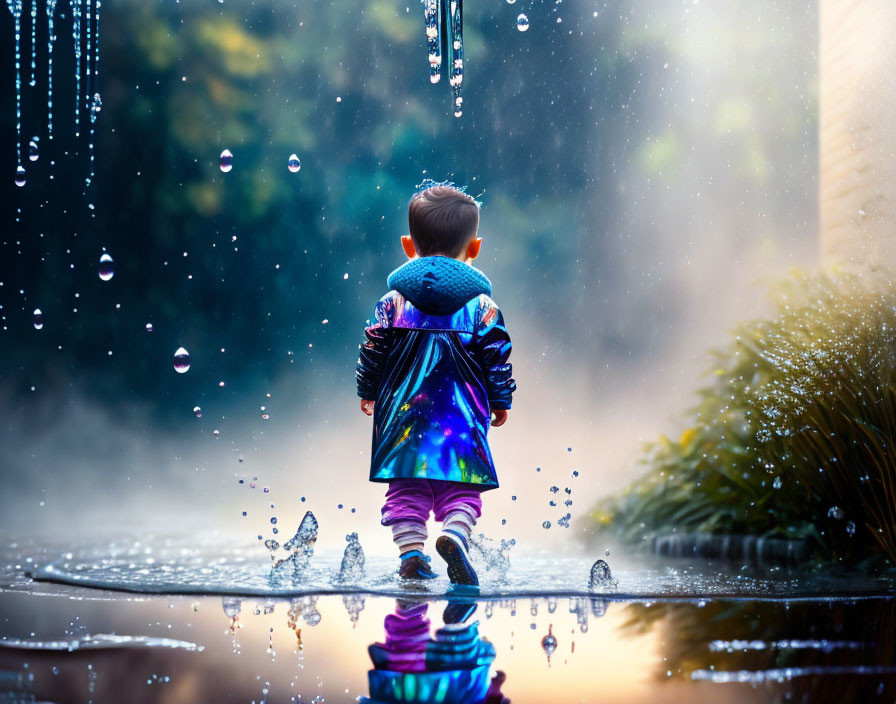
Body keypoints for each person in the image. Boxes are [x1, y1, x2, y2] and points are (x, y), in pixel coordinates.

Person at [356, 183, 516, 585]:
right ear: (474, 248)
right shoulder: (482, 307)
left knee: (406, 492)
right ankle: (454, 536)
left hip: (403, 421)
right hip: (460, 424)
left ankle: (412, 555)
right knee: (461, 491)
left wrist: (368, 389)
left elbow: (372, 346)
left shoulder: (392, 303)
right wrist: (500, 399)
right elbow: (496, 355)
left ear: (409, 245)